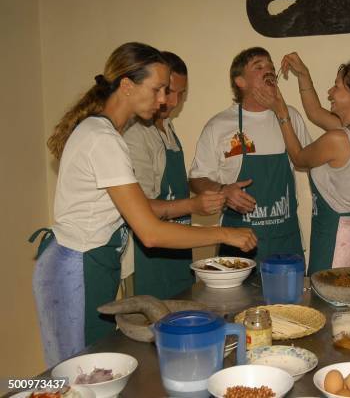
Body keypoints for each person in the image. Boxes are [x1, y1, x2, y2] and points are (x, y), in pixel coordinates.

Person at [31, 42, 256, 366]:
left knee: (90, 368)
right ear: (126, 85)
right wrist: (223, 234)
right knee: (73, 374)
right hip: (74, 267)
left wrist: (191, 207)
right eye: (158, 89)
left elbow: (143, 207)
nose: (165, 99)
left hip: (90, 263)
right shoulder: (103, 139)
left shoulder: (105, 132)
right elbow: (150, 233)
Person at [255, 53, 350, 274]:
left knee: (329, 301)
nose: (330, 92)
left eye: (336, 87)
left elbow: (299, 158)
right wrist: (303, 74)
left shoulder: (338, 140)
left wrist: (281, 111)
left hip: (336, 240)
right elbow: (315, 112)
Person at [189, 47, 311, 263]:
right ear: (240, 82)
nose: (269, 71)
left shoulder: (291, 117)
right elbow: (197, 179)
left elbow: (308, 162)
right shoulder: (219, 126)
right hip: (237, 245)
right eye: (259, 66)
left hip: (285, 242)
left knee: (289, 298)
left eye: (271, 67)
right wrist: (223, 191)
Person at [123, 51, 224, 299]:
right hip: (147, 259)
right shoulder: (136, 133)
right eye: (168, 91)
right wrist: (193, 205)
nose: (174, 101)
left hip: (176, 252)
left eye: (181, 94)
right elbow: (141, 208)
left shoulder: (167, 127)